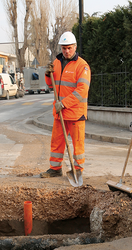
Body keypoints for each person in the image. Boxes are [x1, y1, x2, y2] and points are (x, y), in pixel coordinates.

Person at [40, 31, 91, 178]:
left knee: (77, 144)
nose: (66, 51)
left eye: (69, 48)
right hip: (60, 113)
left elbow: (82, 90)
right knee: (57, 142)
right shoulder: (56, 63)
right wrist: (47, 74)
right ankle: (55, 169)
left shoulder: (82, 66)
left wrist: (63, 103)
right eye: (64, 48)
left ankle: (78, 170)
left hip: (75, 113)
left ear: (75, 47)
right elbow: (51, 86)